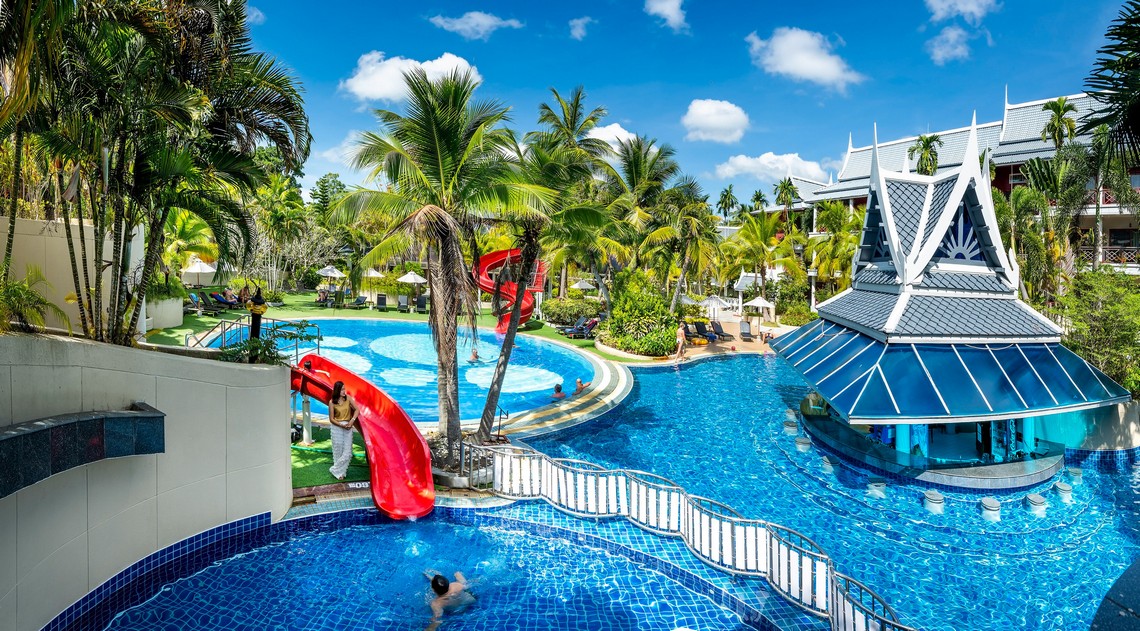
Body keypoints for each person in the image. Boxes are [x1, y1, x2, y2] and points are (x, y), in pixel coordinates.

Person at [328, 381, 358, 481]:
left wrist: (352, 421)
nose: (344, 391)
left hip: (348, 426)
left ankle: (334, 469)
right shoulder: (332, 402)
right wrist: (341, 425)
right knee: (338, 451)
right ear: (337, 390)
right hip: (337, 427)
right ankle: (341, 473)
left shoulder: (348, 398)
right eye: (342, 389)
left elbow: (357, 410)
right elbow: (331, 419)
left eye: (344, 389)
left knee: (348, 453)